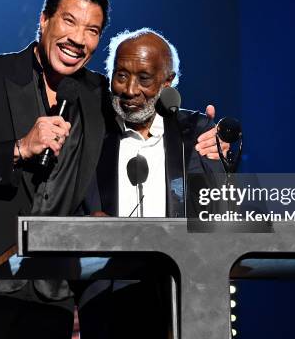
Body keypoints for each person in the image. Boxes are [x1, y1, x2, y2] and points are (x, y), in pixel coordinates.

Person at [0, 0, 226, 338]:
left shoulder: (97, 91)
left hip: (54, 289)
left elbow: (148, 105)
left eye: (92, 30)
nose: (78, 38)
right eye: (69, 21)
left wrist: (209, 135)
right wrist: (18, 149)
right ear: (44, 20)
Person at [78, 28, 225, 339]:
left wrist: (226, 163)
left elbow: (220, 211)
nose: (130, 90)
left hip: (179, 298)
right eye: (120, 76)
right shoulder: (89, 135)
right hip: (105, 300)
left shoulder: (195, 132)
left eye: (144, 78)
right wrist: (86, 226)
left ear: (166, 81)